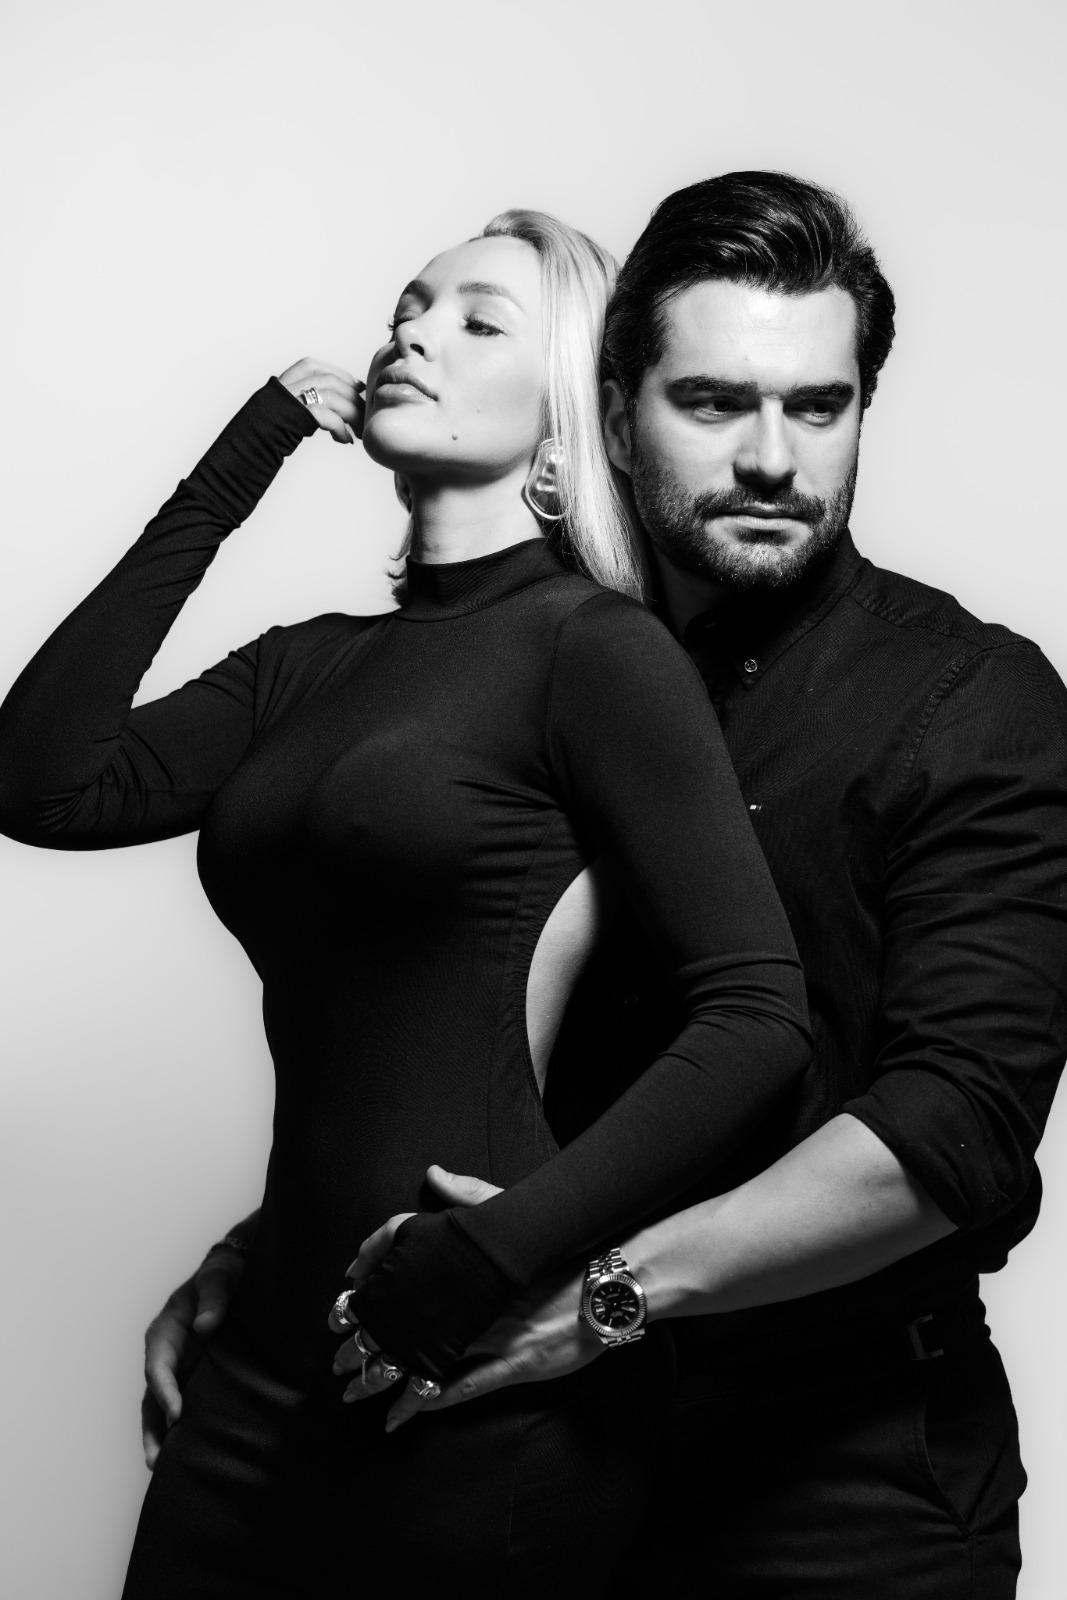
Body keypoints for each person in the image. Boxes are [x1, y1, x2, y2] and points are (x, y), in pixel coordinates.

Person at [155, 174, 1067, 1598]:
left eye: (819, 407)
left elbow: (952, 1128)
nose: (772, 457)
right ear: (616, 414)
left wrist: (598, 1296)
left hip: (834, 1479)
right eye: (712, 403)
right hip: (529, 1444)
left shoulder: (973, 703)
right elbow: (469, 1021)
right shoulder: (557, 660)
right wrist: (288, 1259)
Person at [0, 209, 811, 1598]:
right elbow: (43, 783)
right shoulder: (304, 666)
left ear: (562, 423)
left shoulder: (593, 652)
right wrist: (239, 462)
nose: (414, 336)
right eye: (408, 309)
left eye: (478, 319)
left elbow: (757, 1016)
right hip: (257, 1363)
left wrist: (498, 1253)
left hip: (464, 1374)